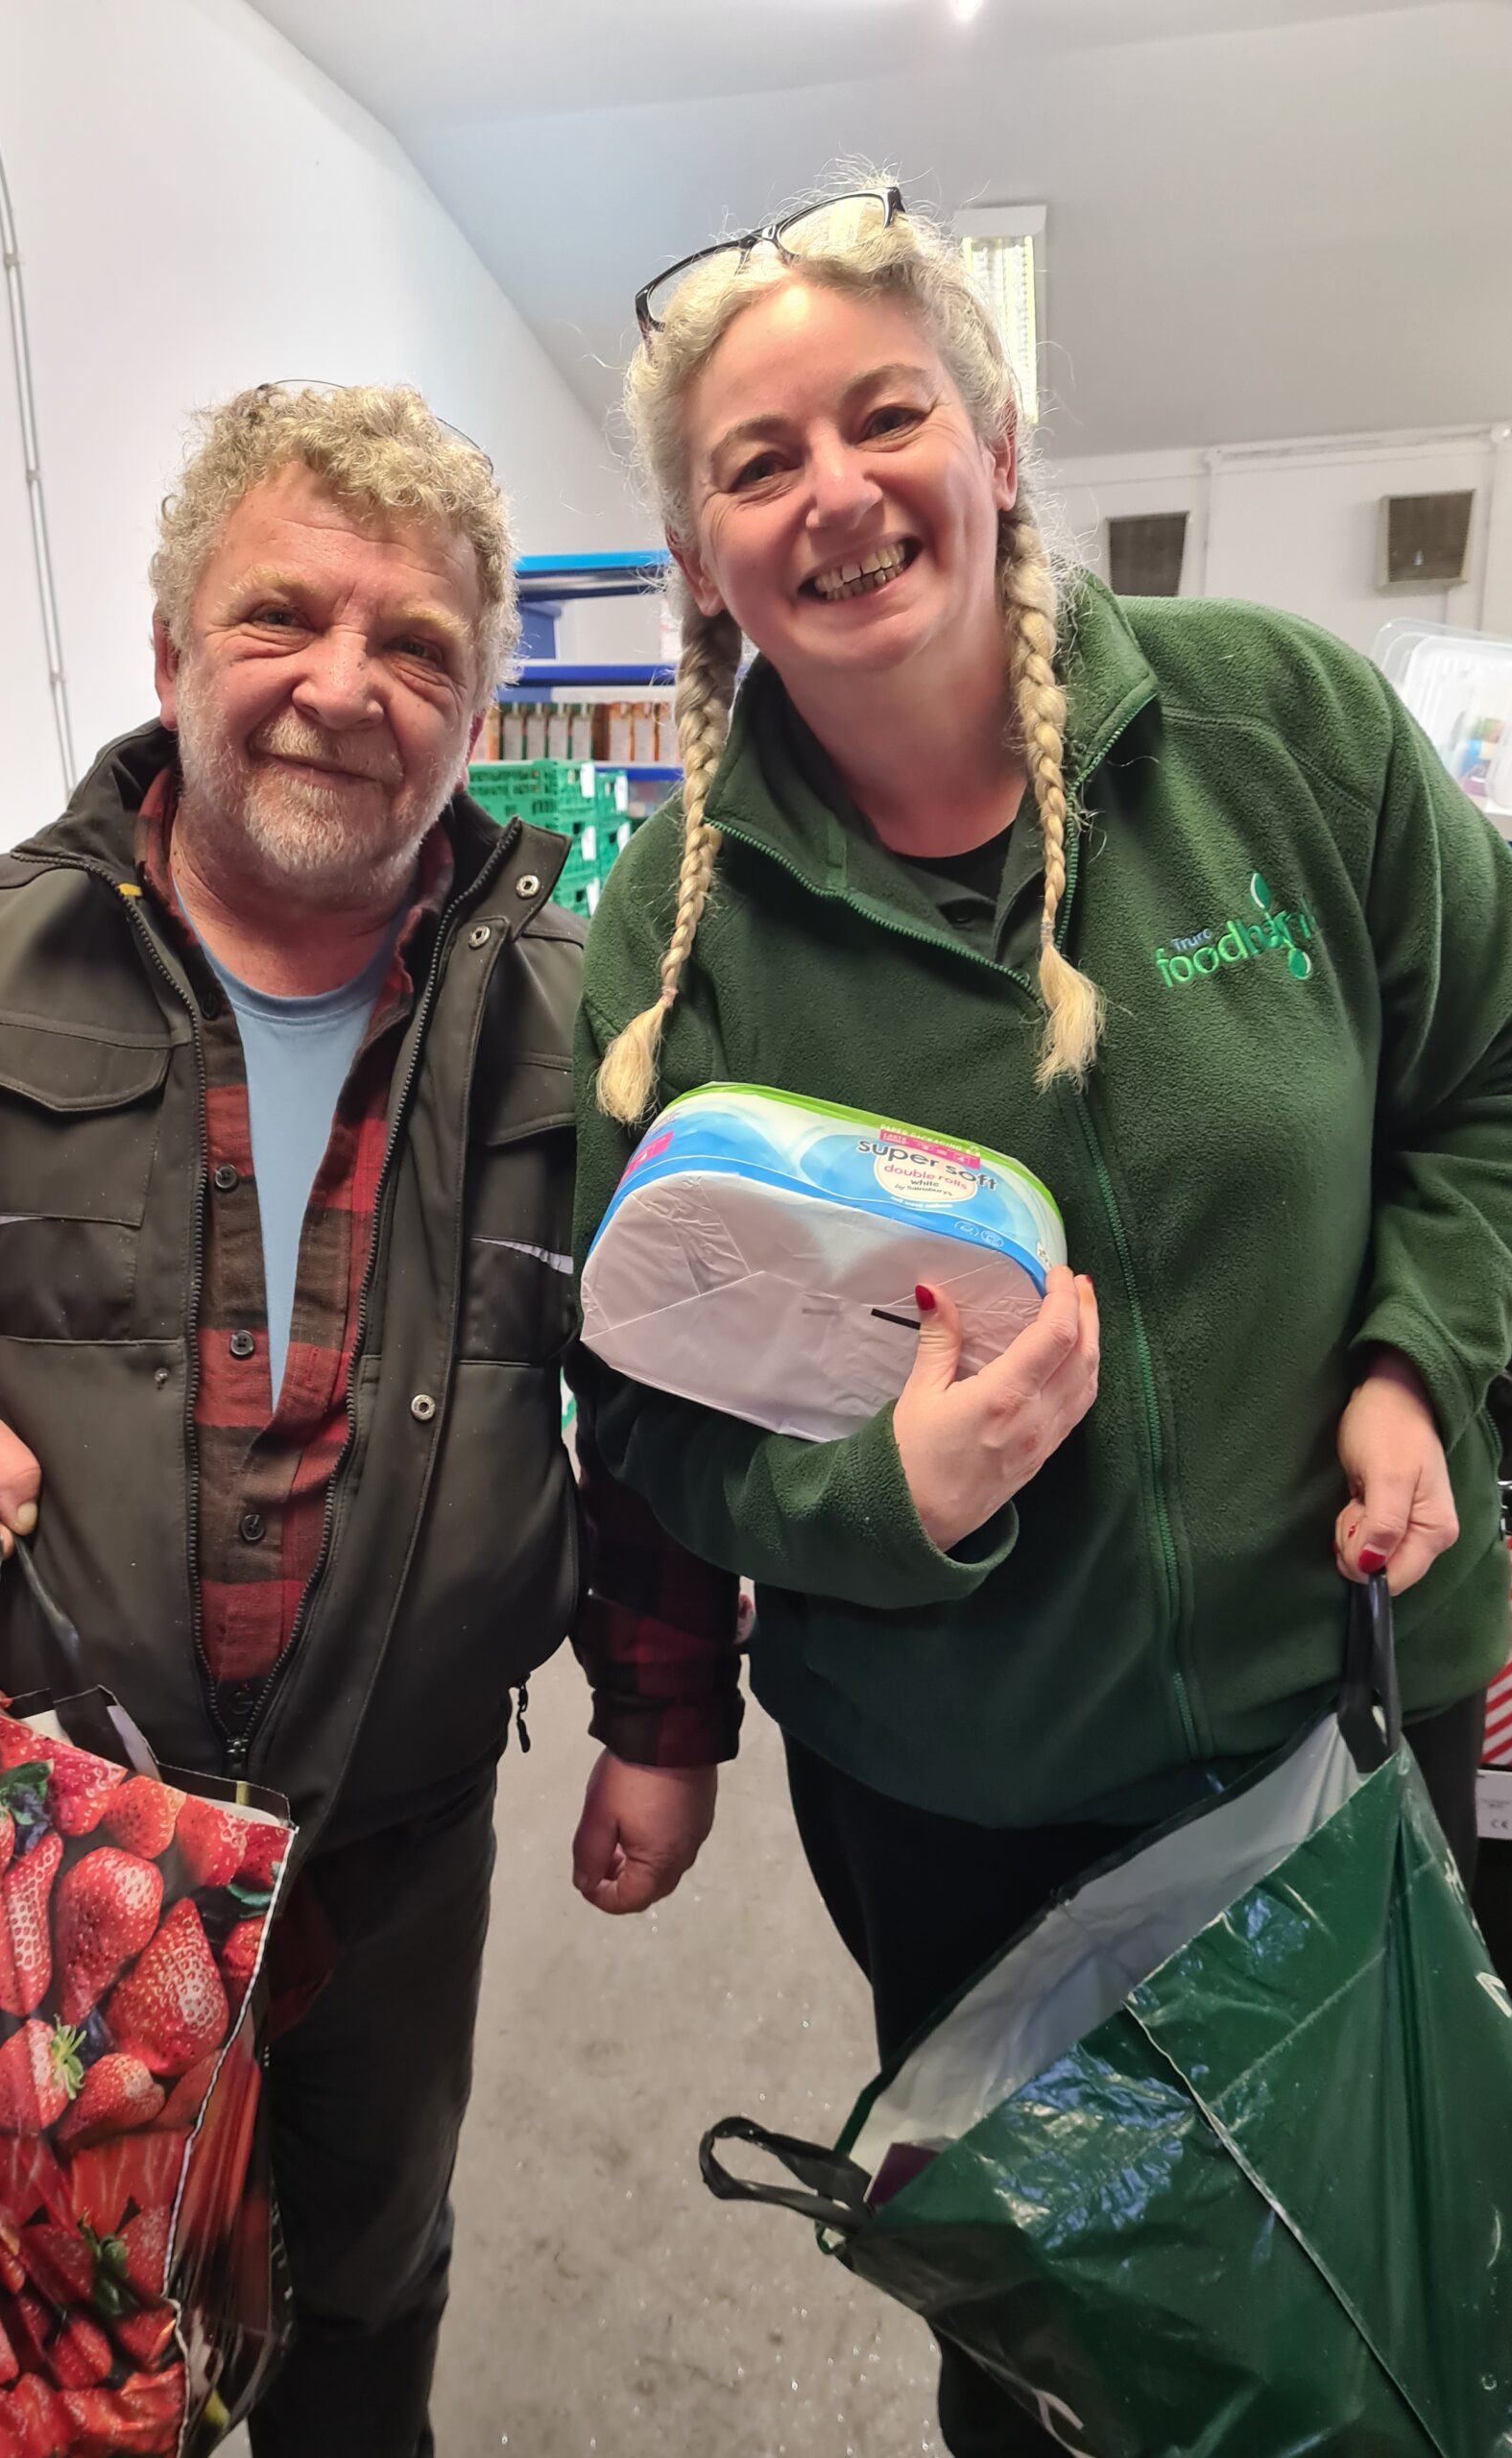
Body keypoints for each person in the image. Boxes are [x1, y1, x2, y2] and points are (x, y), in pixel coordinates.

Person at [0, 381, 740, 2458]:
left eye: (417, 643)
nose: (346, 685)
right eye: (283, 617)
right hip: (23, 1839)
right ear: (172, 652)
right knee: (1, 2312)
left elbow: (651, 1398)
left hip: (394, 1855)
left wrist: (665, 1720)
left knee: (366, 2292)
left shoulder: (583, 1017)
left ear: (478, 704)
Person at [565, 182, 1512, 2455]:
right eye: (760, 461)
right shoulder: (672, 946)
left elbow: (1486, 1088)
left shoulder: (1283, 732)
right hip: (967, 1806)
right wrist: (880, 1503)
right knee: (1077, 2361)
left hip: (1358, 1723)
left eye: (885, 415)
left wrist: (1415, 1360)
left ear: (997, 449)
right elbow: (652, 1417)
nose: (836, 491)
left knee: (1427, 2272)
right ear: (701, 556)